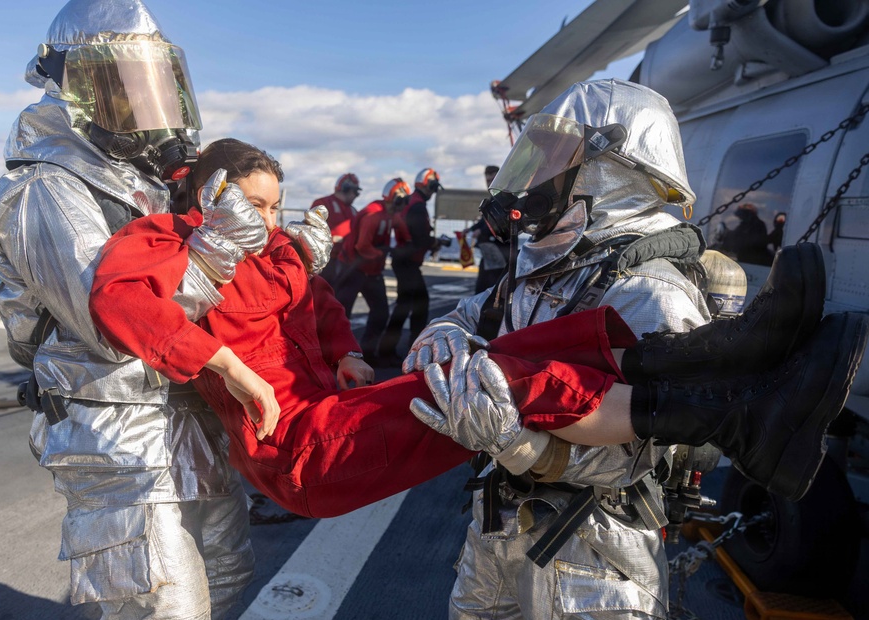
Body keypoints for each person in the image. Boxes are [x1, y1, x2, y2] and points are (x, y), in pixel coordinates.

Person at [89, 138, 866, 530]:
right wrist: (227, 364)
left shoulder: (278, 251)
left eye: (272, 205)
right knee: (498, 382)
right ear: (209, 195)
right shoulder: (169, 241)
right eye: (254, 205)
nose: (267, 222)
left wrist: (347, 351)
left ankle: (734, 356)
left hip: (333, 414)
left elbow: (316, 299)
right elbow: (119, 300)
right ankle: (738, 419)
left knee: (518, 352)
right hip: (297, 450)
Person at [401, 79, 800, 620]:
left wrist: (516, 441)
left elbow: (645, 440)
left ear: (610, 170)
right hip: (503, 524)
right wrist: (449, 331)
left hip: (593, 552)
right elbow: (475, 312)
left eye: (557, 157)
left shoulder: (651, 292)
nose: (536, 172)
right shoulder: (551, 261)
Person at [0, 3, 326, 620]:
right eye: (125, 84)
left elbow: (209, 300)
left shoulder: (144, 185)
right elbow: (111, 322)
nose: (148, 103)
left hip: (183, 418)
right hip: (112, 429)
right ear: (78, 90)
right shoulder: (45, 190)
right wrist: (218, 247)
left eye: (156, 84)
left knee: (221, 577)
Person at [333, 178, 410, 364]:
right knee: (341, 314)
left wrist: (405, 243)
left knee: (380, 313)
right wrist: (384, 252)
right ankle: (336, 354)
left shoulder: (391, 214)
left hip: (372, 271)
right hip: (353, 269)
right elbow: (362, 246)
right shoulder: (373, 215)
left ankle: (366, 352)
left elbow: (403, 231)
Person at [376, 168, 443, 367]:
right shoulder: (418, 206)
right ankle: (398, 350)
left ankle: (406, 347)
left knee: (415, 304)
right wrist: (434, 243)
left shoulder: (411, 201)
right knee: (409, 306)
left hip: (404, 260)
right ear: (430, 186)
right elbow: (420, 237)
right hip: (407, 262)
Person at [468, 165, 512, 294]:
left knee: (491, 288)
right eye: (488, 180)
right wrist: (471, 229)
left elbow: (501, 222)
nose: (490, 183)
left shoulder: (504, 198)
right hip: (489, 251)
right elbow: (485, 220)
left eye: (493, 179)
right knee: (484, 287)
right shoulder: (494, 198)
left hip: (499, 250)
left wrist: (481, 231)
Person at [311, 172, 361, 286]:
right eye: (356, 192)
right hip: (326, 262)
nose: (356, 196)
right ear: (347, 189)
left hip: (346, 262)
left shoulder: (353, 211)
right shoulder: (323, 204)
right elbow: (312, 231)